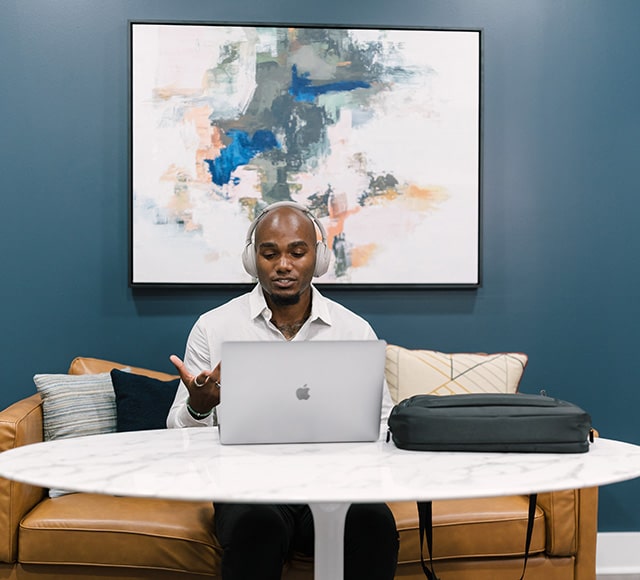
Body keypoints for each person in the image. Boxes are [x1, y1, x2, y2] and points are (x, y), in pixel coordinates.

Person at [167, 201, 399, 580]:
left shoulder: (353, 329)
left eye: (297, 251)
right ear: (252, 259)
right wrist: (198, 408)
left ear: (318, 258)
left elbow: (384, 422)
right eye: (269, 253)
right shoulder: (213, 327)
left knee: (372, 522)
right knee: (256, 526)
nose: (283, 265)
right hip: (248, 491)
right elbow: (177, 440)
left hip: (334, 488)